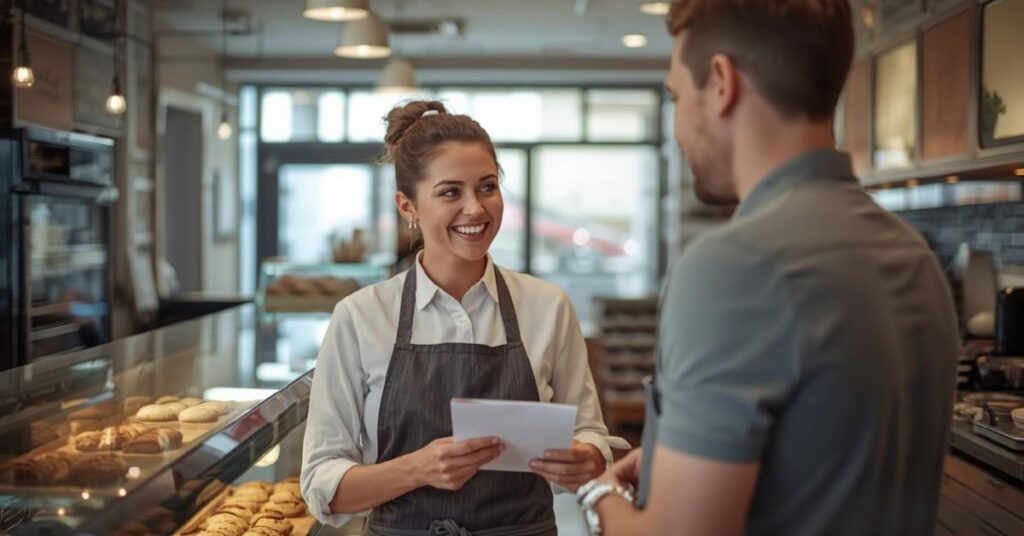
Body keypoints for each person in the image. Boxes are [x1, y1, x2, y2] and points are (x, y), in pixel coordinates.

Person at [578, 1, 960, 535]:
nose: (680, 127)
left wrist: (598, 492)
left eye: (676, 97)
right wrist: (680, 461)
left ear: (720, 83)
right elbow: (835, 462)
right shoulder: (914, 256)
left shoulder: (733, 266)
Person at [301, 100, 628, 536]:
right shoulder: (360, 317)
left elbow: (590, 432)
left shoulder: (548, 305)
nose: (475, 209)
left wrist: (588, 457)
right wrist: (418, 469)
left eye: (487, 187)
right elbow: (323, 485)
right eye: (450, 192)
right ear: (407, 206)